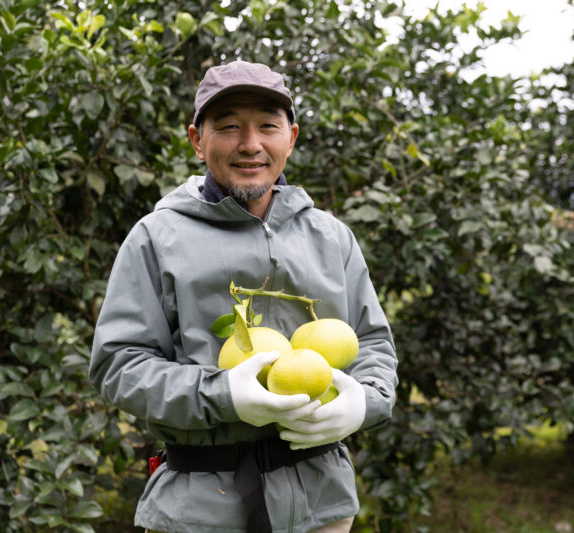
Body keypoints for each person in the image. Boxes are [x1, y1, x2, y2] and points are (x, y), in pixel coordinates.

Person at [89, 60, 398, 533]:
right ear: (197, 140)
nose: (250, 144)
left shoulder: (331, 238)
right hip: (199, 513)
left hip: (322, 507)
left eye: (267, 126)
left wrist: (363, 404)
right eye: (229, 126)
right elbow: (118, 365)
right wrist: (222, 395)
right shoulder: (158, 237)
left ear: (291, 137)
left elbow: (374, 346)